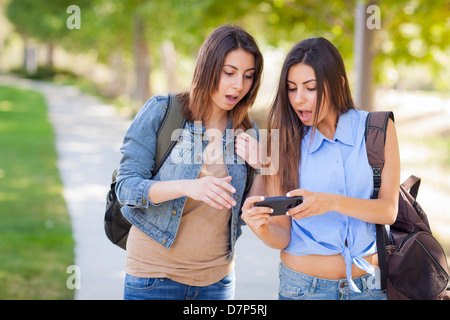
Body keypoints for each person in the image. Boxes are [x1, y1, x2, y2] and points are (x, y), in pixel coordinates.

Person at [241, 37, 400, 300]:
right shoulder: (280, 142)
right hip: (303, 289)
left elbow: (388, 211)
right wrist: (263, 230)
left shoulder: (377, 130)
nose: (299, 99)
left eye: (310, 87)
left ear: (338, 84)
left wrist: (330, 202)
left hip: (368, 289)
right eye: (291, 89)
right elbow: (281, 234)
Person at [115, 25, 264, 300]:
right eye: (229, 73)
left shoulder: (247, 131)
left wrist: (263, 165)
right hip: (154, 278)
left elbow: (250, 211)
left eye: (248, 76)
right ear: (208, 67)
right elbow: (126, 187)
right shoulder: (163, 110)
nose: (238, 85)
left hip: (217, 282)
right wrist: (188, 187)